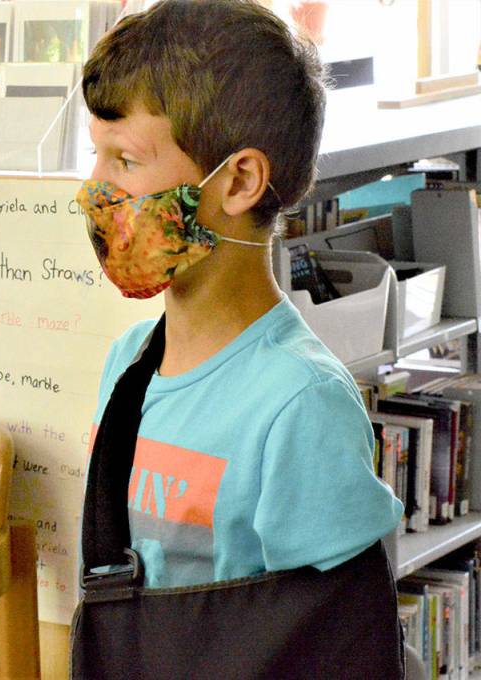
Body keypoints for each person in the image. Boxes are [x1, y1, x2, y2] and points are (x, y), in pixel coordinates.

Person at [78, 0, 403, 594]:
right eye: (95, 153)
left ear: (239, 181)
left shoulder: (302, 406)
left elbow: (342, 639)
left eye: (124, 159)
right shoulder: (127, 364)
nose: (94, 188)